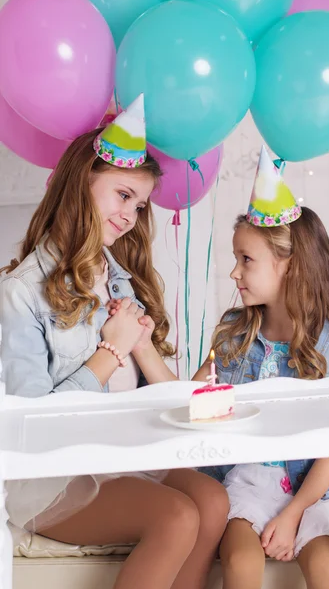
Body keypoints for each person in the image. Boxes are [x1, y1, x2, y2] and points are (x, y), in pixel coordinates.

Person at [0, 94, 228, 589]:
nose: (130, 215)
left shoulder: (122, 280)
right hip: (56, 477)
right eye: (123, 195)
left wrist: (152, 356)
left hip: (125, 454)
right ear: (82, 182)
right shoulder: (21, 292)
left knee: (212, 500)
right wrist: (110, 352)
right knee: (176, 516)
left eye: (140, 204)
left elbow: (156, 397)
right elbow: (31, 428)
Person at [193, 146, 329, 589]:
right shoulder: (234, 336)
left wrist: (295, 512)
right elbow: (196, 406)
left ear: (289, 267)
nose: (234, 273)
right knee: (240, 561)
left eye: (246, 260)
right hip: (252, 482)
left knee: (326, 565)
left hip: (318, 491)